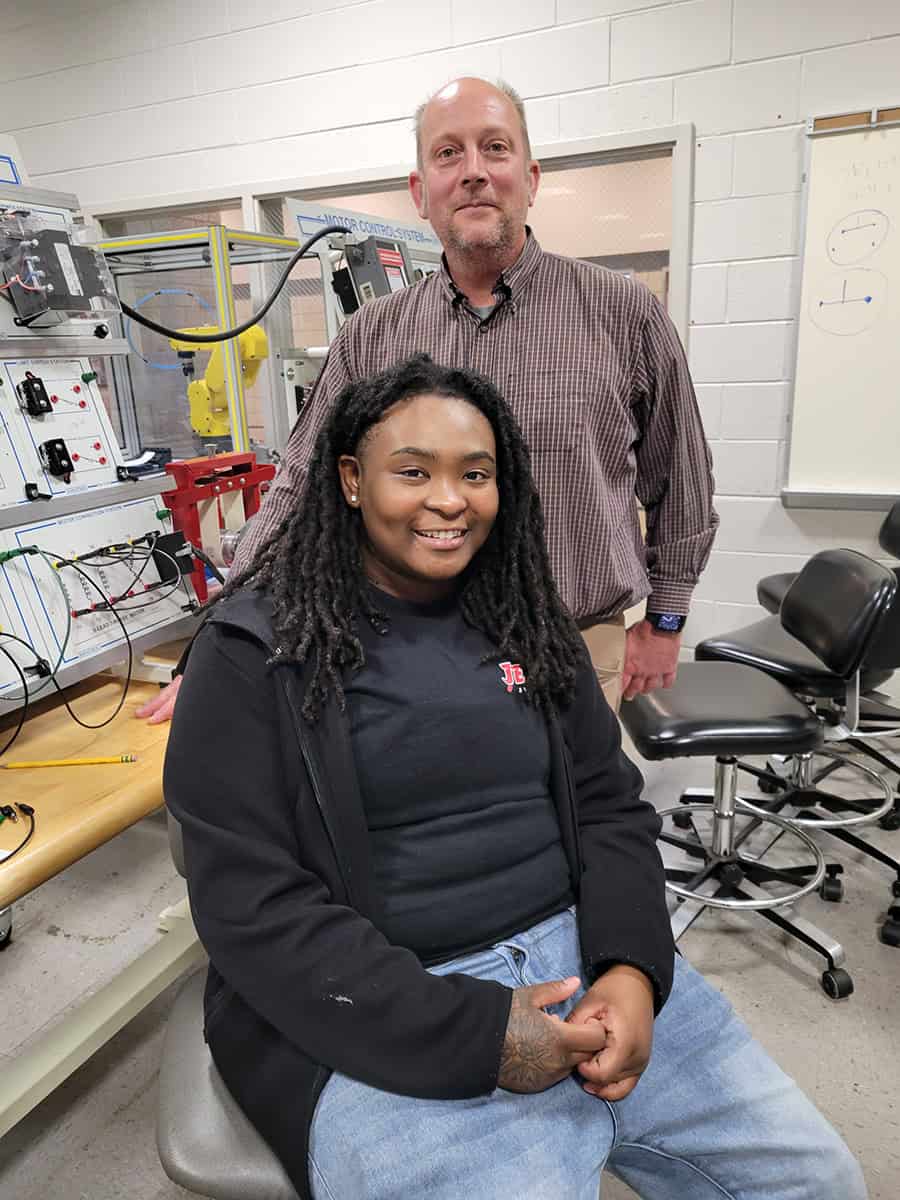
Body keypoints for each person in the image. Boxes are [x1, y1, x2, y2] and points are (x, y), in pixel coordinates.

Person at [164, 355, 864, 1200]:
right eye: (412, 472)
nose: (450, 501)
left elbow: (611, 809)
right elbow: (249, 902)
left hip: (586, 956)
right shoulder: (254, 651)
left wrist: (635, 971)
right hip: (390, 994)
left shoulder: (527, 619)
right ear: (351, 479)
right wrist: (480, 1031)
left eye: (477, 474)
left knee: (819, 1180)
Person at [137, 75, 717, 726]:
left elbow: (682, 482)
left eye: (494, 149)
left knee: (575, 823)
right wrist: (219, 640)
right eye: (448, 154)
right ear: (421, 192)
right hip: (404, 652)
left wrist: (666, 623)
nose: (473, 172)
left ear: (531, 178)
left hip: (577, 644)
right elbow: (300, 485)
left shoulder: (622, 314)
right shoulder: (373, 334)